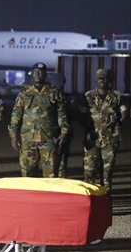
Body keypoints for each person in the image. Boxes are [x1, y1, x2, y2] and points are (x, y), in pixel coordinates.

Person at [8, 62, 70, 177]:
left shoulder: (54, 92)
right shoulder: (24, 92)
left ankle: (49, 195)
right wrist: (13, 135)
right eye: (35, 71)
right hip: (28, 139)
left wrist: (64, 132)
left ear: (45, 74)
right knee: (28, 175)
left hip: (49, 139)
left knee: (50, 174)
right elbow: (16, 114)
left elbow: (61, 113)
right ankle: (29, 196)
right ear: (32, 74)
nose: (37, 74)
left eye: (40, 71)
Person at [79, 69, 128, 197]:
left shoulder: (116, 96)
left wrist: (121, 119)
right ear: (96, 80)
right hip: (93, 138)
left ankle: (105, 199)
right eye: (100, 79)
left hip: (110, 139)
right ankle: (89, 199)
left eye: (104, 78)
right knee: (90, 170)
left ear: (109, 80)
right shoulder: (88, 96)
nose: (102, 81)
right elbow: (81, 114)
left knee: (107, 171)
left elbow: (124, 110)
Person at [50, 72, 75, 178]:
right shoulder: (68, 98)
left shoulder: (49, 97)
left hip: (56, 133)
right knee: (60, 163)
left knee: (54, 163)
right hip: (58, 133)